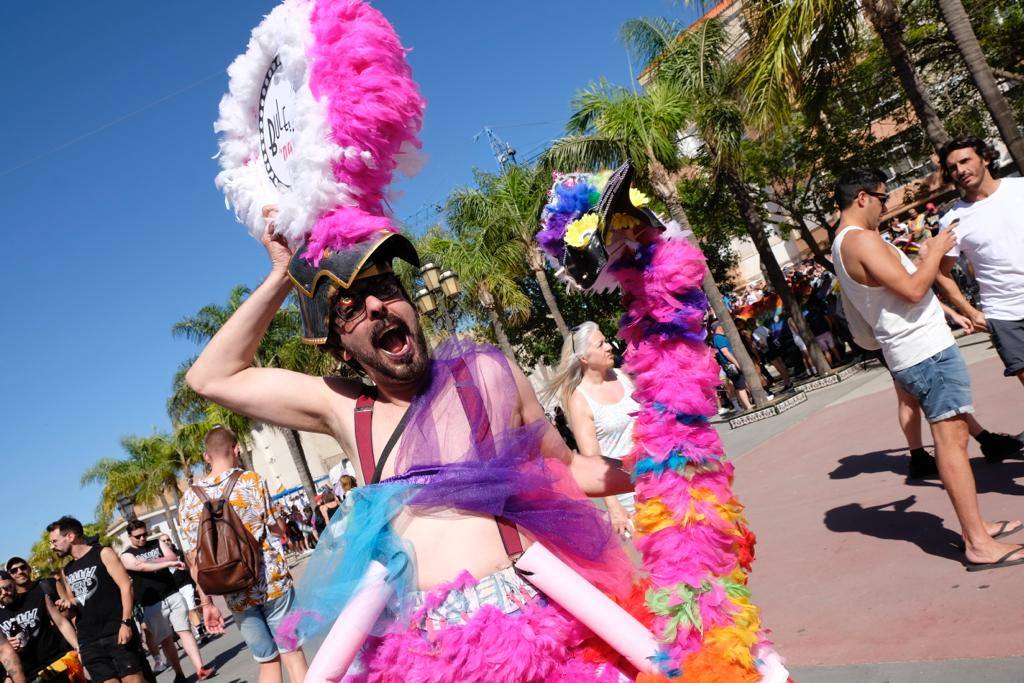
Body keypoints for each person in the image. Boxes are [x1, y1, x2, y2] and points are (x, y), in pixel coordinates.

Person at [184, 210, 638, 679]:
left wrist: (658, 467)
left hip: (530, 630)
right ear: (341, 348)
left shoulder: (486, 373)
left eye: (386, 288)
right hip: (423, 656)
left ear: (410, 302)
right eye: (349, 307)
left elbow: (567, 467)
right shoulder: (347, 409)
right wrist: (284, 271)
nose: (376, 306)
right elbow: (211, 377)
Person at [831, 168, 1024, 571]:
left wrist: (940, 294)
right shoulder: (861, 240)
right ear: (862, 197)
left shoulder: (844, 242)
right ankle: (978, 544)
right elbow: (914, 289)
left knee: (953, 437)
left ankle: (978, 529)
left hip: (915, 351)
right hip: (924, 353)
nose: (886, 206)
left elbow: (897, 293)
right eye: (882, 197)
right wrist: (934, 252)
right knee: (952, 442)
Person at [177, 427, 308, 683]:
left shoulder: (189, 500)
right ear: (236, 449)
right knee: (293, 656)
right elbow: (277, 529)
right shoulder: (251, 480)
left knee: (268, 663)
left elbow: (196, 561)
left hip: (235, 592)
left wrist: (207, 604)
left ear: (206, 456)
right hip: (272, 583)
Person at [934, 136, 1024, 393]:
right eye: (953, 167)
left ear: (985, 158)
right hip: (1004, 316)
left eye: (965, 161)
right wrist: (971, 312)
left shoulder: (1020, 189)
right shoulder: (952, 220)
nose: (960, 170)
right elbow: (941, 273)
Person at [544, 321, 640, 537]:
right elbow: (593, 460)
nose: (609, 347)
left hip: (659, 478)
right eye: (600, 344)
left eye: (606, 341)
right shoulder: (579, 399)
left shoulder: (625, 377)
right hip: (628, 495)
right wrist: (614, 507)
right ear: (584, 358)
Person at [47, 516, 150, 682]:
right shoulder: (67, 570)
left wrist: (126, 622)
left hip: (116, 631)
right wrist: (67, 605)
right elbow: (74, 602)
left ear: (70, 536)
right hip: (89, 641)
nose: (52, 547)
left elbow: (126, 586)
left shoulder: (103, 553)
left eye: (54, 541)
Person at [119, 521, 213, 683]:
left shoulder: (157, 543)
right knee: (166, 640)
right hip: (151, 603)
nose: (142, 538)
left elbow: (172, 556)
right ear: (129, 537)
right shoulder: (126, 555)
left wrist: (156, 561)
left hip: (172, 594)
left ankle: (200, 669)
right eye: (138, 536)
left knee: (185, 631)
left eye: (144, 534)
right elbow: (140, 566)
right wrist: (166, 562)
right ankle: (179, 674)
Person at [0, 570, 83, 682]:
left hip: (56, 664)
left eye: (7, 588)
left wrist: (79, 648)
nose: (4, 593)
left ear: (14, 583)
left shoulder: (37, 596)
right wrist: (7, 647)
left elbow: (61, 623)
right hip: (29, 674)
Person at [708, 322, 754, 411]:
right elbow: (725, 352)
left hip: (729, 365)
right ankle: (748, 406)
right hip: (730, 365)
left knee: (738, 386)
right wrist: (736, 363)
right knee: (740, 386)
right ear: (719, 327)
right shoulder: (719, 338)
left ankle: (745, 406)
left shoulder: (718, 337)